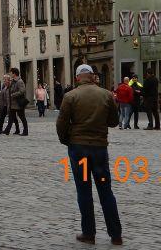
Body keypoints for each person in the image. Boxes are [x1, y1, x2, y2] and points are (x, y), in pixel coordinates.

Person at [57, 64, 122, 246]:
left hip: (80, 149)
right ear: (92, 76)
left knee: (84, 190)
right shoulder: (106, 95)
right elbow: (114, 121)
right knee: (105, 190)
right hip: (99, 149)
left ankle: (89, 233)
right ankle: (116, 235)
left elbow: (61, 123)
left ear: (78, 78)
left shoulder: (71, 96)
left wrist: (67, 140)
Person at [5, 67, 28, 136]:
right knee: (11, 117)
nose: (10, 74)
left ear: (14, 73)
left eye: (11, 73)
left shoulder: (19, 81)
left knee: (22, 117)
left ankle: (25, 131)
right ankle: (7, 130)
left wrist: (13, 95)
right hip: (13, 103)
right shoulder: (13, 81)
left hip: (18, 103)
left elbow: (22, 91)